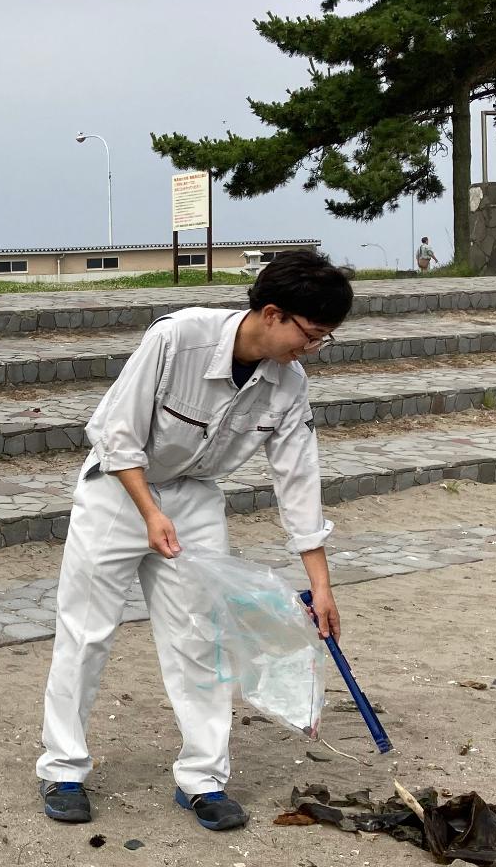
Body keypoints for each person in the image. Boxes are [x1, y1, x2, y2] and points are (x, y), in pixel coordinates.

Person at [33, 248, 352, 833]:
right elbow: (115, 431)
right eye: (312, 335)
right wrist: (149, 512)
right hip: (119, 490)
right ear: (273, 313)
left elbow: (298, 480)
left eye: (324, 339)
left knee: (200, 639)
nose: (313, 348)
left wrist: (320, 584)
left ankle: (203, 779)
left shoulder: (288, 385)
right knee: (86, 631)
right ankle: (64, 767)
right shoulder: (179, 337)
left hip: (196, 497)